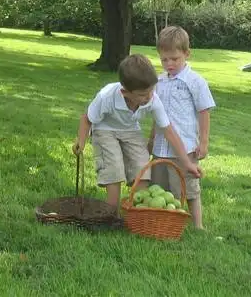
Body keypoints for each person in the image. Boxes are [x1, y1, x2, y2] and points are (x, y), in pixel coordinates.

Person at [73, 54, 202, 212]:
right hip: (105, 129)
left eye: (151, 90)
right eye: (142, 94)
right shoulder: (106, 96)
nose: (148, 97)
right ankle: (111, 213)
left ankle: (139, 213)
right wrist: (81, 141)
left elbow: (169, 131)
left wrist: (187, 163)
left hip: (130, 129)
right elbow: (86, 119)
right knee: (113, 168)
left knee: (142, 166)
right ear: (125, 93)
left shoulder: (152, 99)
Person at [148, 26, 215, 229]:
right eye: (164, 60)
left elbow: (204, 111)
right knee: (159, 189)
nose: (169, 64)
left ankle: (198, 226)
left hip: (184, 148)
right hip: (161, 148)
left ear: (187, 54)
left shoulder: (195, 81)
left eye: (174, 59)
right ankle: (163, 223)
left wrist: (203, 142)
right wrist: (151, 138)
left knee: (188, 188)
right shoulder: (159, 82)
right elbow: (157, 114)